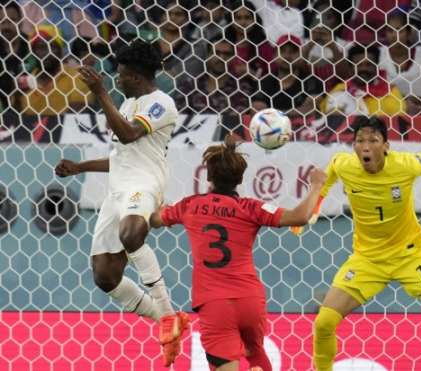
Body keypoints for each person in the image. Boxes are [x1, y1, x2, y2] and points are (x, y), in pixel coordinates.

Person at [295, 115, 421, 371]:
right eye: (359, 141)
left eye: (373, 140)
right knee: (323, 323)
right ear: (353, 146)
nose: (365, 146)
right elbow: (330, 172)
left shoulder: (406, 164)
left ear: (386, 146)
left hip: (409, 257)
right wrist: (317, 203)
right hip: (367, 261)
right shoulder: (344, 164)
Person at [54, 39, 188, 367]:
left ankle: (167, 314)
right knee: (105, 276)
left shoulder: (160, 104)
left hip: (144, 184)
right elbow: (121, 154)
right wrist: (81, 167)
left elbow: (129, 135)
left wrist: (100, 92)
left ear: (136, 77)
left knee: (131, 235)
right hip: (118, 190)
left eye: (121, 74)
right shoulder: (127, 105)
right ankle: (167, 318)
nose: (116, 79)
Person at [149, 134, 327, 371]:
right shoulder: (251, 208)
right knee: (256, 353)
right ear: (241, 179)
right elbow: (300, 216)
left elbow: (154, 219)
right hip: (250, 299)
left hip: (215, 303)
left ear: (209, 176)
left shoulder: (189, 205)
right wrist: (316, 184)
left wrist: (156, 207)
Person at [12, 24, 94, 115]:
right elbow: (16, 123)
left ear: (60, 50)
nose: (48, 53)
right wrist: (17, 99)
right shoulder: (24, 84)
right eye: (41, 47)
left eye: (53, 46)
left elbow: (78, 116)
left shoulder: (77, 77)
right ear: (33, 52)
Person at [378, 9, 421, 115]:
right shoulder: (379, 56)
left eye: (399, 30)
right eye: (390, 30)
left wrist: (410, 102)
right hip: (386, 112)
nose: (394, 35)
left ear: (409, 33)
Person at [320, 43, 406, 117]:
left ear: (377, 68)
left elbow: (396, 121)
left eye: (369, 64)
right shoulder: (341, 89)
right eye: (358, 65)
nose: (363, 69)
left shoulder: (391, 92)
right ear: (350, 69)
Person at [175, 38, 255, 115]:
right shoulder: (191, 83)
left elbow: (238, 116)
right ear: (208, 56)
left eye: (227, 54)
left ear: (233, 58)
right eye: (216, 53)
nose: (221, 58)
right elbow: (180, 113)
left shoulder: (241, 87)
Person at [251, 34, 323, 117]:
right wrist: (291, 113)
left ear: (301, 56)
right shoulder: (264, 82)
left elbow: (310, 110)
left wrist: (272, 114)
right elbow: (257, 111)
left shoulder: (311, 81)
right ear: (274, 55)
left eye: (293, 51)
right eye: (282, 51)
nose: (287, 55)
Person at [223, 0, 274, 80]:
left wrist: (250, 73)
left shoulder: (264, 49)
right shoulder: (223, 46)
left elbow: (274, 80)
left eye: (247, 18)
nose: (243, 22)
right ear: (232, 21)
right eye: (238, 18)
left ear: (254, 20)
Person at [0, 1, 30, 112]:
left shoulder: (33, 46)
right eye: (2, 22)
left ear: (21, 21)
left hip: (30, 109)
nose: (6, 26)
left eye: (12, 21)